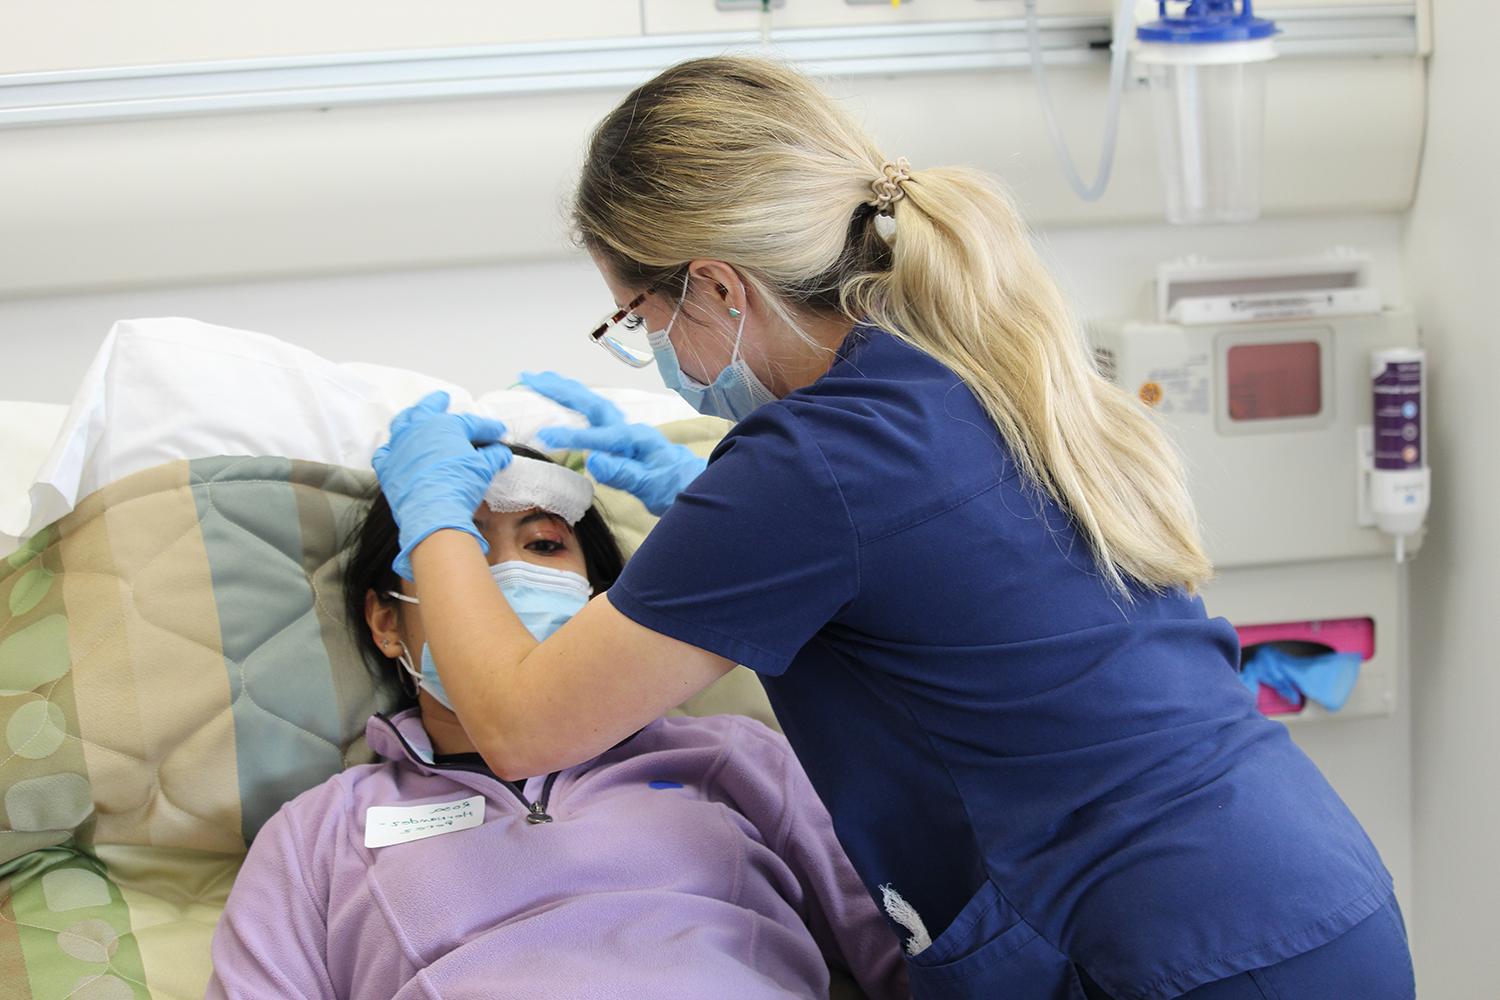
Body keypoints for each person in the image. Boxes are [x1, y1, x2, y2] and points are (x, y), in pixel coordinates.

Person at [369, 57, 1415, 1000]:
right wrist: (700, 491)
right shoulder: (965, 362)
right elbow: (937, 574)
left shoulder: (810, 465)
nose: (655, 352)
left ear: (719, 286)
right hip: (1306, 897)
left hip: (1179, 955)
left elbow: (517, 724)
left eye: (638, 318)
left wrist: (432, 510)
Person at [204, 446, 907, 1000]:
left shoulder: (737, 760)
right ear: (388, 622)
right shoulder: (318, 832)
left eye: (543, 545)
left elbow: (919, 950)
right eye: (464, 550)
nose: (510, 576)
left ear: (602, 598)